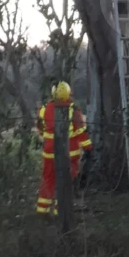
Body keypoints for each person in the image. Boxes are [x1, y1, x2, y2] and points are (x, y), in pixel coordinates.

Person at [35, 81, 92, 217]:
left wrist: (47, 138)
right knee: (65, 181)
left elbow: (40, 128)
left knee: (48, 179)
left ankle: (42, 209)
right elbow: (82, 133)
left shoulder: (44, 109)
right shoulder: (73, 110)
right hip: (69, 155)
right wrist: (88, 148)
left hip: (49, 152)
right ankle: (59, 211)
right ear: (68, 94)